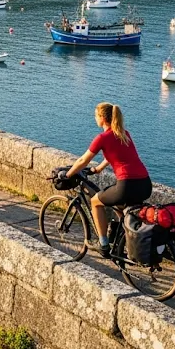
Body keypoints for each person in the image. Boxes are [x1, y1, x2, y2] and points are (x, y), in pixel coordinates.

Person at [68, 102, 152, 258]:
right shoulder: (124, 133)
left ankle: (104, 244)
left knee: (95, 201)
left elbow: (82, 161)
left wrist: (68, 175)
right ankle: (125, 241)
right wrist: (98, 168)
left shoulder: (102, 138)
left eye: (95, 115)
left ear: (102, 118)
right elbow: (117, 154)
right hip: (145, 184)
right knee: (121, 208)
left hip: (127, 185)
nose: (94, 118)